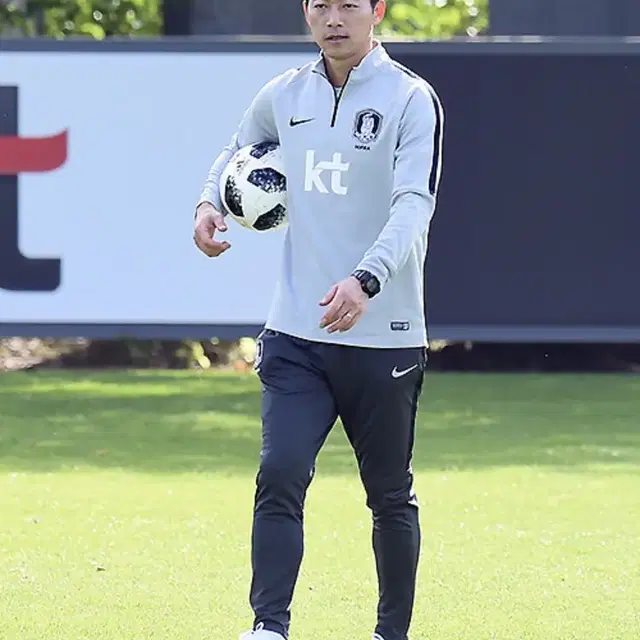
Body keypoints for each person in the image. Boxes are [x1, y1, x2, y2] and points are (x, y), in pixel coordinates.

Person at [193, 1, 444, 638]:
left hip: (384, 334)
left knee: (389, 495)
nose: (334, 18)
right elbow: (235, 150)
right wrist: (206, 202)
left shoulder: (412, 99)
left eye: (349, 5)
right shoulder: (282, 94)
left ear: (377, 10)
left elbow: (414, 204)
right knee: (279, 473)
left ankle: (391, 633)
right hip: (295, 334)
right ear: (306, 14)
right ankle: (268, 627)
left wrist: (367, 280)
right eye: (320, 5)